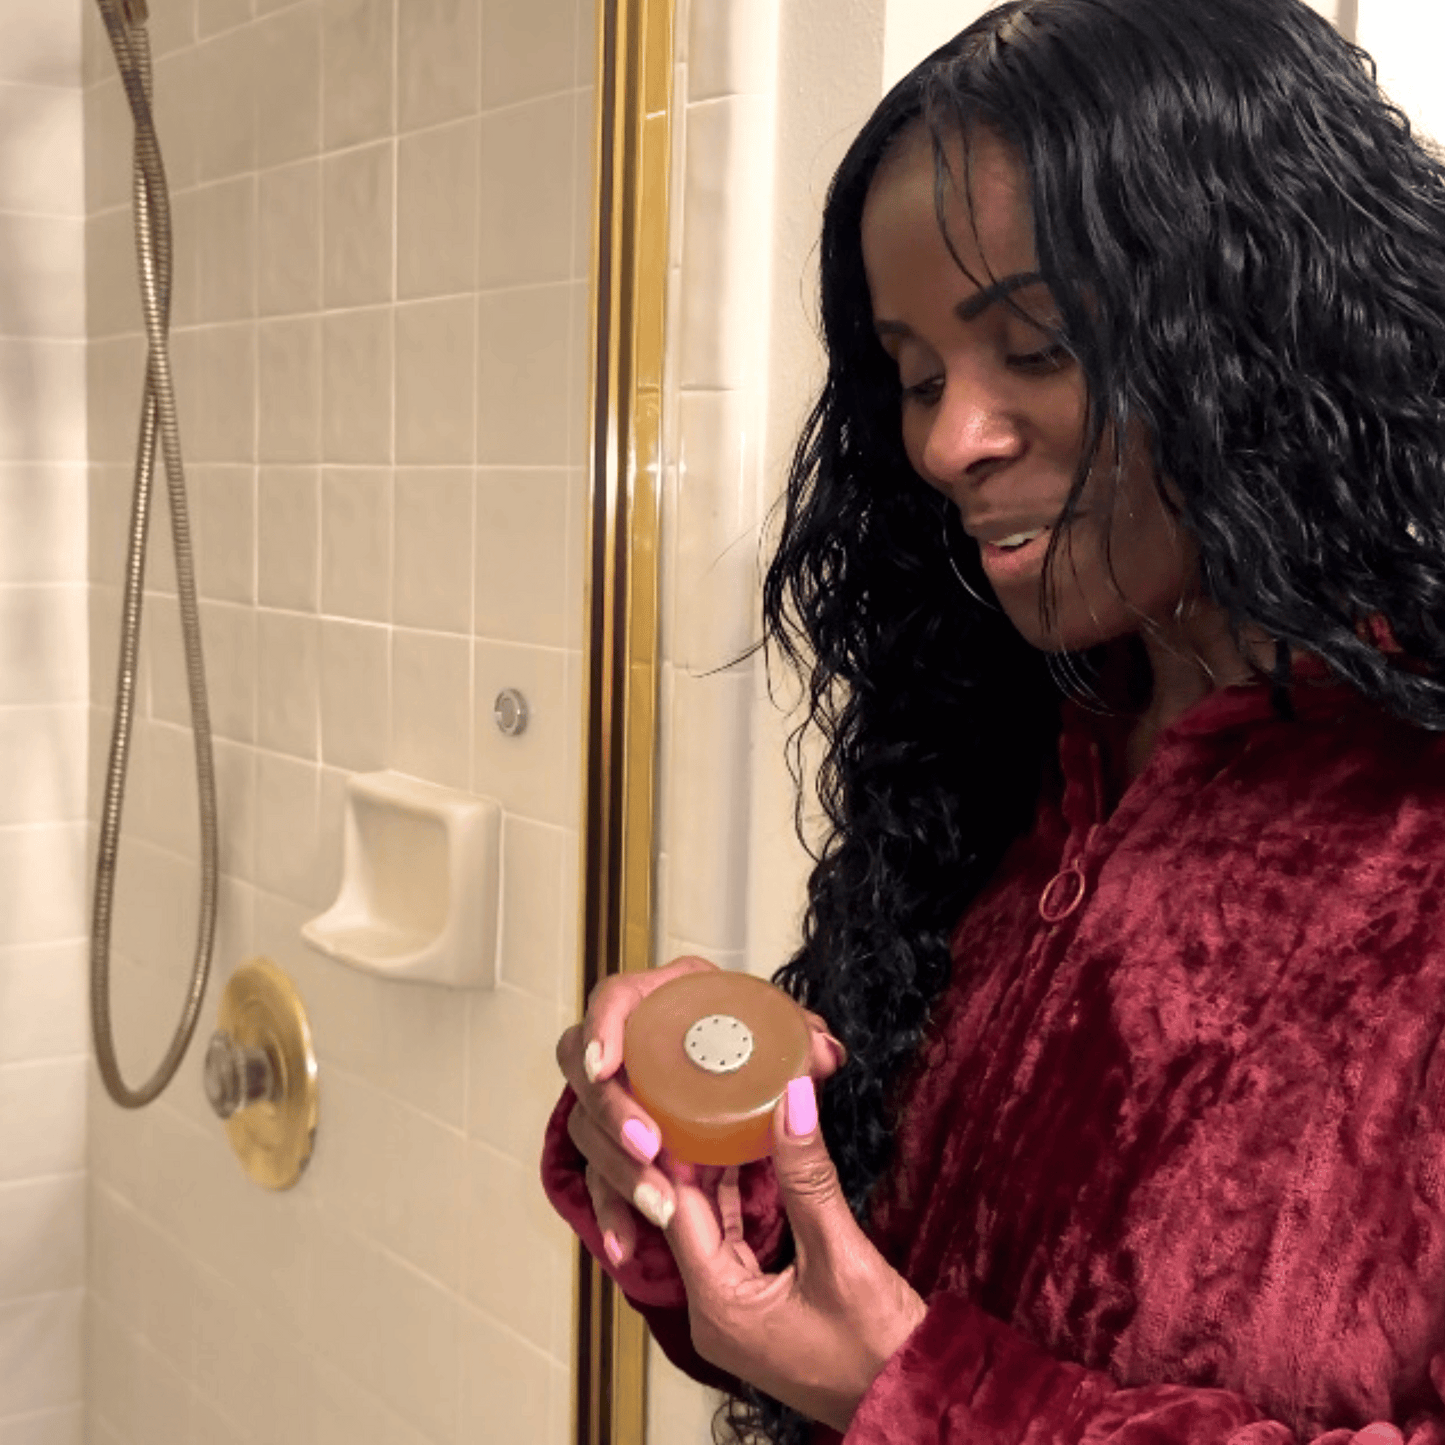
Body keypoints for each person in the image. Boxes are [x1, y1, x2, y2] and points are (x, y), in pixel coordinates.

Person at [543, 0, 1445, 1441]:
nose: (948, 439)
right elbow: (854, 1318)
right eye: (914, 376)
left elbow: (897, 1369)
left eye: (1033, 346)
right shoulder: (1010, 755)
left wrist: (927, 1398)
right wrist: (702, 1160)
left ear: (1262, 319)